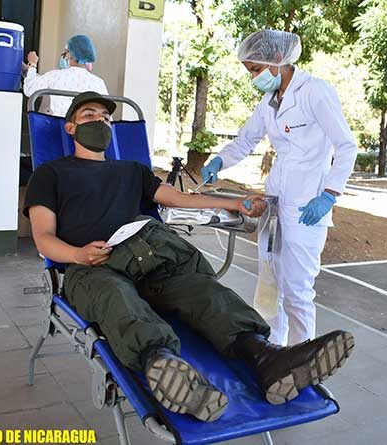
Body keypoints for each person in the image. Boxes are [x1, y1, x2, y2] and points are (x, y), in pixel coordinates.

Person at [24, 92, 354, 422]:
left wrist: (235, 203)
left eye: (106, 117)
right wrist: (77, 255)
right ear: (70, 128)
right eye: (89, 115)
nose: (100, 120)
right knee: (117, 299)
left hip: (152, 258)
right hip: (94, 266)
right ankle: (166, 369)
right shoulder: (51, 174)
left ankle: (267, 358)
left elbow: (181, 199)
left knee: (206, 293)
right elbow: (44, 238)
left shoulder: (131, 171)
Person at [200, 30, 357, 346]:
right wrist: (218, 161)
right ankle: (273, 350)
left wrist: (329, 195)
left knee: (297, 290)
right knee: (270, 283)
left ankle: (302, 357)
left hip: (307, 206)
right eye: (250, 72)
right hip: (275, 203)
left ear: (276, 59)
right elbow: (246, 140)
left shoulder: (315, 92)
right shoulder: (268, 102)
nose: (254, 78)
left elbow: (346, 146)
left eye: (256, 70)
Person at [22, 35, 108, 117]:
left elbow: (30, 89)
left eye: (66, 52)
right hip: (88, 130)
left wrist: (32, 64)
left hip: (59, 128)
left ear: (70, 55)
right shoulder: (98, 82)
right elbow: (107, 114)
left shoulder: (55, 76)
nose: (64, 56)